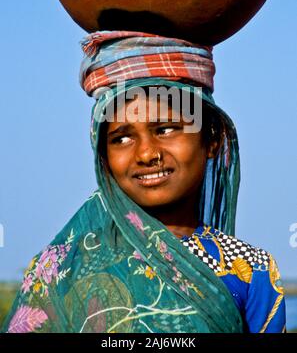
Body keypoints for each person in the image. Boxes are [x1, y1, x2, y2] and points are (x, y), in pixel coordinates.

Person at [2, 31, 286, 333]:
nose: (147, 153)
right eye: (121, 138)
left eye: (166, 129)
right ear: (103, 157)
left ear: (212, 138)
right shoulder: (63, 268)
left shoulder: (250, 268)